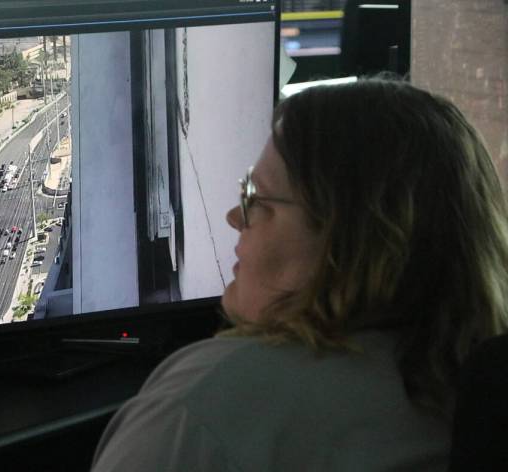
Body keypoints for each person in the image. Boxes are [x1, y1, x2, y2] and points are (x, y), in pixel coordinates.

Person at [91, 79, 508, 471]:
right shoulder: (476, 388)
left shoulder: (210, 402)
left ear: (342, 238)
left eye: (256, 198)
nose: (235, 216)